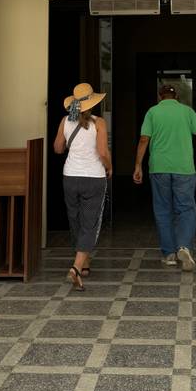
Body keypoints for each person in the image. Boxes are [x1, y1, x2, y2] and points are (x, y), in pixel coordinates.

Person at [133, 83, 196, 270]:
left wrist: (138, 165)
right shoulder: (187, 111)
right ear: (176, 97)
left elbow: (144, 139)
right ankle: (184, 246)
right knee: (186, 208)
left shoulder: (152, 112)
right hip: (184, 168)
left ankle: (169, 254)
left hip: (159, 167)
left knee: (163, 210)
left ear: (160, 97)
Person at [53, 82, 111, 290]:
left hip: (70, 177)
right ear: (92, 103)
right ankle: (76, 268)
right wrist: (109, 167)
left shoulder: (65, 121)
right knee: (90, 223)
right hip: (93, 178)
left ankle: (85, 263)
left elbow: (58, 148)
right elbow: (102, 152)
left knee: (75, 220)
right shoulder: (99, 123)